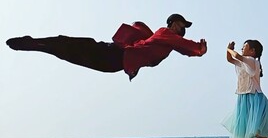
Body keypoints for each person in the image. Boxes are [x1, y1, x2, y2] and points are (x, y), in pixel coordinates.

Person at [6, 14, 207, 81]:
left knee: (70, 50)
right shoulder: (165, 33)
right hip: (113, 55)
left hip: (114, 62)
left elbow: (182, 48)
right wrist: (198, 49)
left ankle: (37, 44)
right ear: (173, 23)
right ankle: (35, 43)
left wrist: (196, 52)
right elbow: (185, 46)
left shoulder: (167, 43)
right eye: (182, 24)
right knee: (69, 46)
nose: (184, 29)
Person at [222, 40, 268, 138]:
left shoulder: (251, 60)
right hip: (246, 100)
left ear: (252, 51)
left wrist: (228, 48)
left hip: (256, 100)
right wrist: (228, 50)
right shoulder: (244, 62)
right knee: (263, 137)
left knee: (262, 136)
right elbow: (230, 59)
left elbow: (236, 56)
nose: (242, 48)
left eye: (245, 46)